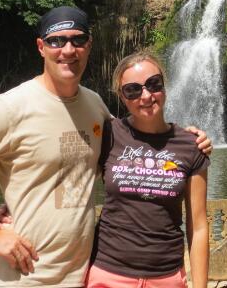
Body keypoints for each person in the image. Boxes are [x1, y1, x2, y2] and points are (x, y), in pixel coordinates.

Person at [0, 6, 210, 288]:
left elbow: (136, 142)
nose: (68, 50)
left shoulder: (94, 106)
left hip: (82, 274)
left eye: (77, 40)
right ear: (41, 47)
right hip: (25, 277)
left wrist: (188, 138)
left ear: (89, 45)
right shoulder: (10, 107)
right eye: (56, 41)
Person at [85, 52, 209, 288]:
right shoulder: (108, 134)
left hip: (166, 277)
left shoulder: (191, 145)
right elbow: (65, 169)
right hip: (108, 274)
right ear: (122, 97)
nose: (146, 96)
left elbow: (199, 226)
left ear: (164, 85)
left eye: (154, 84)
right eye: (132, 90)